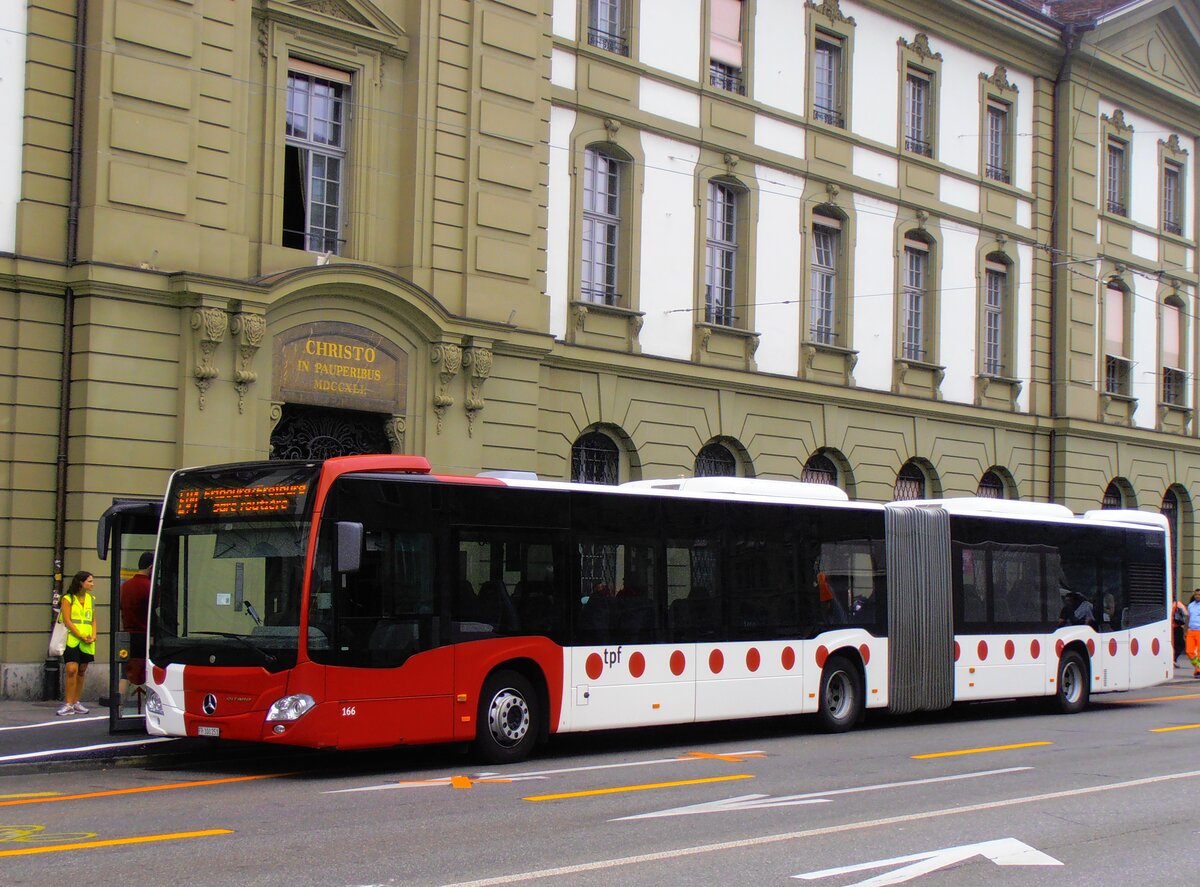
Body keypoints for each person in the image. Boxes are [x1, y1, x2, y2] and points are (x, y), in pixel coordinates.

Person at [58, 571, 96, 716]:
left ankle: (76, 702)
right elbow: (67, 620)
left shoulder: (91, 599)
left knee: (82, 670)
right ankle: (68, 703)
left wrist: (93, 635)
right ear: (81, 583)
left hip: (87, 639)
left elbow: (93, 619)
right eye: (90, 581)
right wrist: (80, 635)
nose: (92, 584)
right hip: (72, 639)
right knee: (71, 669)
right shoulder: (68, 599)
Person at [119, 551, 153, 707]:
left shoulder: (125, 586)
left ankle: (120, 703)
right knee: (148, 671)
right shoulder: (151, 587)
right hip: (146, 635)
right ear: (151, 567)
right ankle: (147, 704)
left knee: (125, 672)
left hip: (127, 634)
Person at [1186, 589, 1200, 678]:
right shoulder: (1191, 605)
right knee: (1189, 651)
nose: (1197, 596)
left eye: (1199, 595)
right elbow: (1188, 618)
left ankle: (1198, 671)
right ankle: (1197, 667)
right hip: (1191, 630)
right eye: (1196, 595)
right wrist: (1185, 630)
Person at [1171, 596, 1189, 664]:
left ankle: (1173, 659)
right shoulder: (1177, 604)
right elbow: (1186, 613)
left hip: (1168, 628)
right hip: (1177, 627)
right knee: (1181, 645)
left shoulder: (1166, 605)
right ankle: (1174, 659)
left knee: (1173, 644)